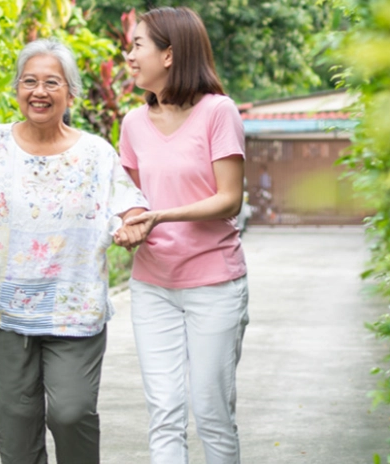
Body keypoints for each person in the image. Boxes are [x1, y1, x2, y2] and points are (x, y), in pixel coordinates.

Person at [0, 39, 148, 464]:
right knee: (15, 425)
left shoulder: (96, 154)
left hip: (75, 309)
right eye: (29, 81)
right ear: (17, 89)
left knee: (72, 412)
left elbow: (132, 205)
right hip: (3, 311)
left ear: (71, 93)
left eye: (52, 82)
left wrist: (131, 225)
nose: (39, 92)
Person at [113, 7, 250, 464]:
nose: (129, 56)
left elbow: (229, 199)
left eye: (138, 45)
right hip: (152, 287)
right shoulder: (133, 123)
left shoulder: (218, 112)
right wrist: (131, 223)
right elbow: (132, 198)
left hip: (214, 285)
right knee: (165, 414)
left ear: (169, 55)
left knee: (212, 413)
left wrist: (160, 217)